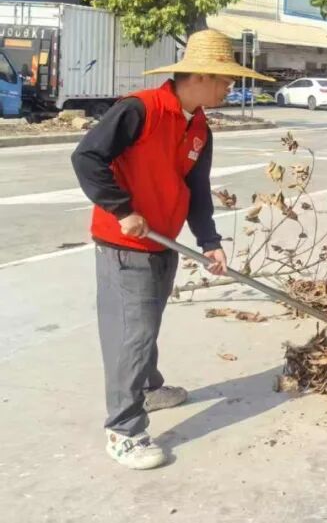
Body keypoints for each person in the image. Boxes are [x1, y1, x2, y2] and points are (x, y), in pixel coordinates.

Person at [71, 29, 272, 470]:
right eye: (225, 81)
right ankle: (124, 429)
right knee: (133, 334)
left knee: (147, 324)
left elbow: (196, 189)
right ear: (200, 75)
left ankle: (147, 388)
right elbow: (86, 158)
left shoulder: (199, 126)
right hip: (125, 241)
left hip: (164, 239)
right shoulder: (139, 109)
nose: (229, 89)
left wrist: (210, 242)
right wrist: (122, 208)